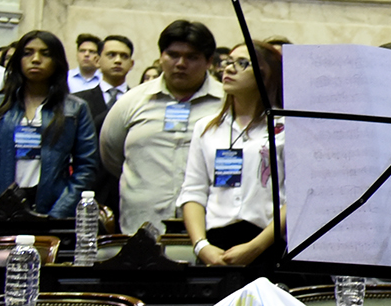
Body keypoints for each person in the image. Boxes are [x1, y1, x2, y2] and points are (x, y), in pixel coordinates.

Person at [100, 20, 225, 235]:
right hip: (142, 226)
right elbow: (111, 153)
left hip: (209, 228)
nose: (180, 63)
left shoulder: (228, 103)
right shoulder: (132, 101)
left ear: (209, 62)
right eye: (173, 55)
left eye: (192, 57)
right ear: (161, 57)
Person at [178, 42, 285, 274]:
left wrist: (255, 247)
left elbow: (297, 200)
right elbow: (193, 192)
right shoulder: (206, 128)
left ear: (266, 74)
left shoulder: (288, 127)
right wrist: (201, 246)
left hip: (269, 242)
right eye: (228, 62)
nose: (229, 69)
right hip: (216, 245)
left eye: (242, 64)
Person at [0, 30, 99, 218]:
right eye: (27, 53)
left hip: (51, 205)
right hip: (1, 205)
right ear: (18, 59)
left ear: (57, 61)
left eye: (45, 54)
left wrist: (59, 212)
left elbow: (86, 167)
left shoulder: (75, 108)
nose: (36, 59)